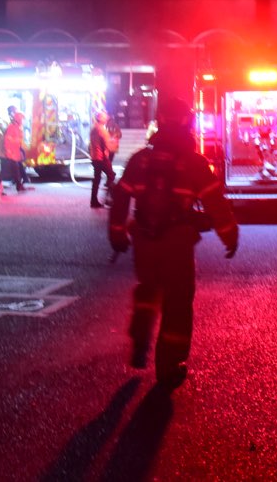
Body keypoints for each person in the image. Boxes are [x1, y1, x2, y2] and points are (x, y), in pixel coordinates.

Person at [109, 97, 238, 390]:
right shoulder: (194, 163)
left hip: (144, 240)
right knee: (177, 303)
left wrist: (117, 233)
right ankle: (169, 366)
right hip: (177, 243)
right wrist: (229, 235)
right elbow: (215, 202)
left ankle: (141, 332)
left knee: (148, 287)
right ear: (187, 123)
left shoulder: (140, 160)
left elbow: (121, 196)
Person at [88, 110, 119, 209]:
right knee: (111, 176)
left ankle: (94, 200)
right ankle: (109, 199)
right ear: (102, 119)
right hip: (102, 158)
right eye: (105, 117)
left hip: (95, 157)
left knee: (96, 179)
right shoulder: (102, 130)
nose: (107, 119)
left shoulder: (93, 128)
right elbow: (108, 145)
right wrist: (114, 144)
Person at [0, 106, 29, 193]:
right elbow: (8, 140)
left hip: (15, 152)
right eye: (21, 119)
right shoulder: (12, 127)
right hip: (12, 153)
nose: (22, 121)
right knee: (15, 169)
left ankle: (20, 184)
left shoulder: (18, 127)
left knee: (18, 168)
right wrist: (11, 151)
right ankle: (18, 185)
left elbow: (18, 140)